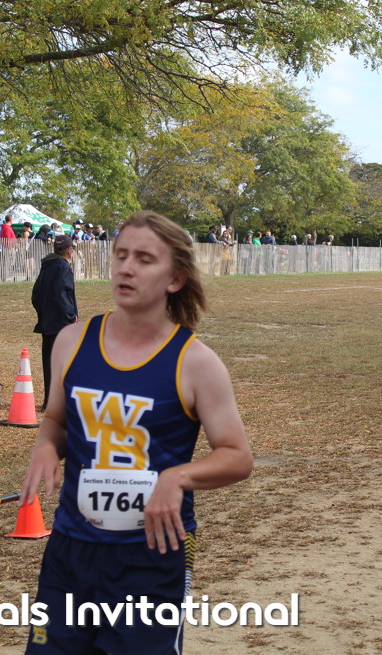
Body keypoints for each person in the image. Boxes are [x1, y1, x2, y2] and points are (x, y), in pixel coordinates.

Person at [20, 211, 253, 653]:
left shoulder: (195, 363)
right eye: (121, 255)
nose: (126, 268)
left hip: (152, 555)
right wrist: (46, 447)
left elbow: (237, 456)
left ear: (175, 279)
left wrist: (177, 477)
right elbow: (56, 420)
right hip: (71, 549)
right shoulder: (72, 341)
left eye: (144, 259)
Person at [32, 234, 78, 411]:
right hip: (61, 323)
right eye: (72, 249)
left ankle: (48, 401)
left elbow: (35, 295)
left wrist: (43, 312)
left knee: (49, 363)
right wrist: (71, 316)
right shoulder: (62, 267)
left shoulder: (47, 265)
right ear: (69, 250)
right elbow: (62, 294)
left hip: (47, 322)